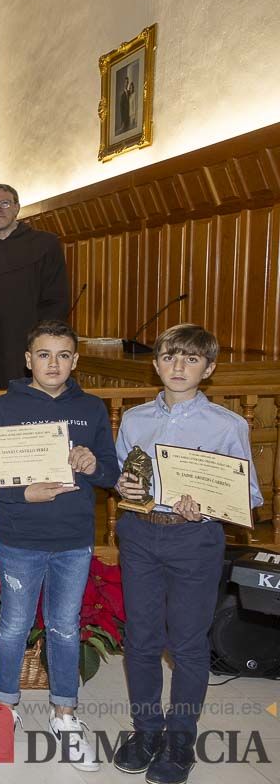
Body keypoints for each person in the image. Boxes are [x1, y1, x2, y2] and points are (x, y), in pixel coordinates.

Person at [112, 323, 263, 784]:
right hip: (139, 533)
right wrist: (125, 486)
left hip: (194, 539)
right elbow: (125, 476)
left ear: (209, 368)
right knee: (139, 638)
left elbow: (251, 496)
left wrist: (208, 503)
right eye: (170, 357)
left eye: (191, 359)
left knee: (187, 644)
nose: (179, 367)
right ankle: (146, 729)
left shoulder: (228, 425)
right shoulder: (136, 419)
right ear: (156, 363)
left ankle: (180, 738)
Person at [0, 320, 118, 772]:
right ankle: (4, 708)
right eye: (43, 354)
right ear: (27, 359)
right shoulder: (0, 408)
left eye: (62, 355)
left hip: (74, 540)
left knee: (63, 625)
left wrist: (93, 464)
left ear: (75, 361)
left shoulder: (92, 409)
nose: (52, 363)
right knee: (14, 626)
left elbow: (111, 473)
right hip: (20, 538)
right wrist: (24, 494)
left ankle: (65, 714)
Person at [0, 183, 69, 390]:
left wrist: (43, 344)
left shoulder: (45, 245)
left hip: (32, 346)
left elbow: (57, 298)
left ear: (17, 207)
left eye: (4, 203)